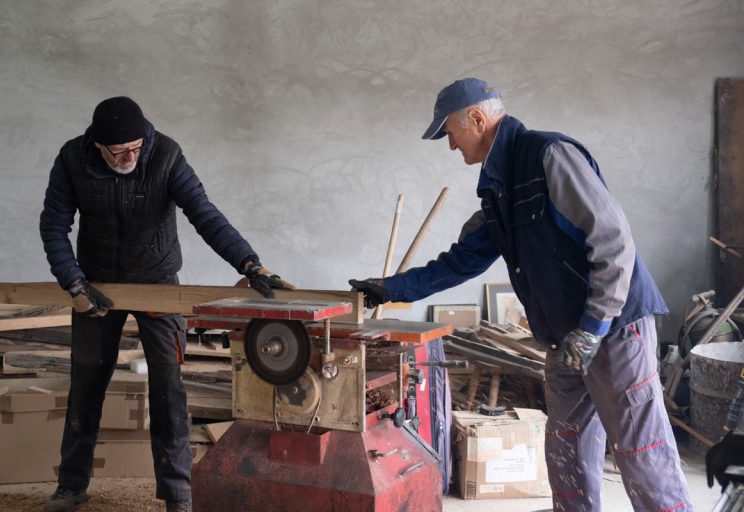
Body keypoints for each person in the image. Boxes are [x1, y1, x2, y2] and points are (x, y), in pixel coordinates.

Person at [350, 78, 693, 512]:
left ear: (477, 118)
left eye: (449, 133)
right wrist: (389, 288)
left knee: (640, 453)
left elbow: (613, 241)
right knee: (566, 449)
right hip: (564, 337)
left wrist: (592, 329)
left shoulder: (549, 155)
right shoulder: (497, 189)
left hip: (614, 328)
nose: (451, 147)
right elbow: (461, 261)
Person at [39, 96, 291, 512]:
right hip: (95, 284)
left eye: (137, 147)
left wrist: (250, 262)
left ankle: (177, 494)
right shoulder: (72, 159)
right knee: (85, 385)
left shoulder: (166, 154)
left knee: (168, 390)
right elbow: (53, 224)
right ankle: (71, 486)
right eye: (120, 152)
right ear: (97, 145)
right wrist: (74, 283)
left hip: (157, 282)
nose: (131, 157)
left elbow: (204, 213)